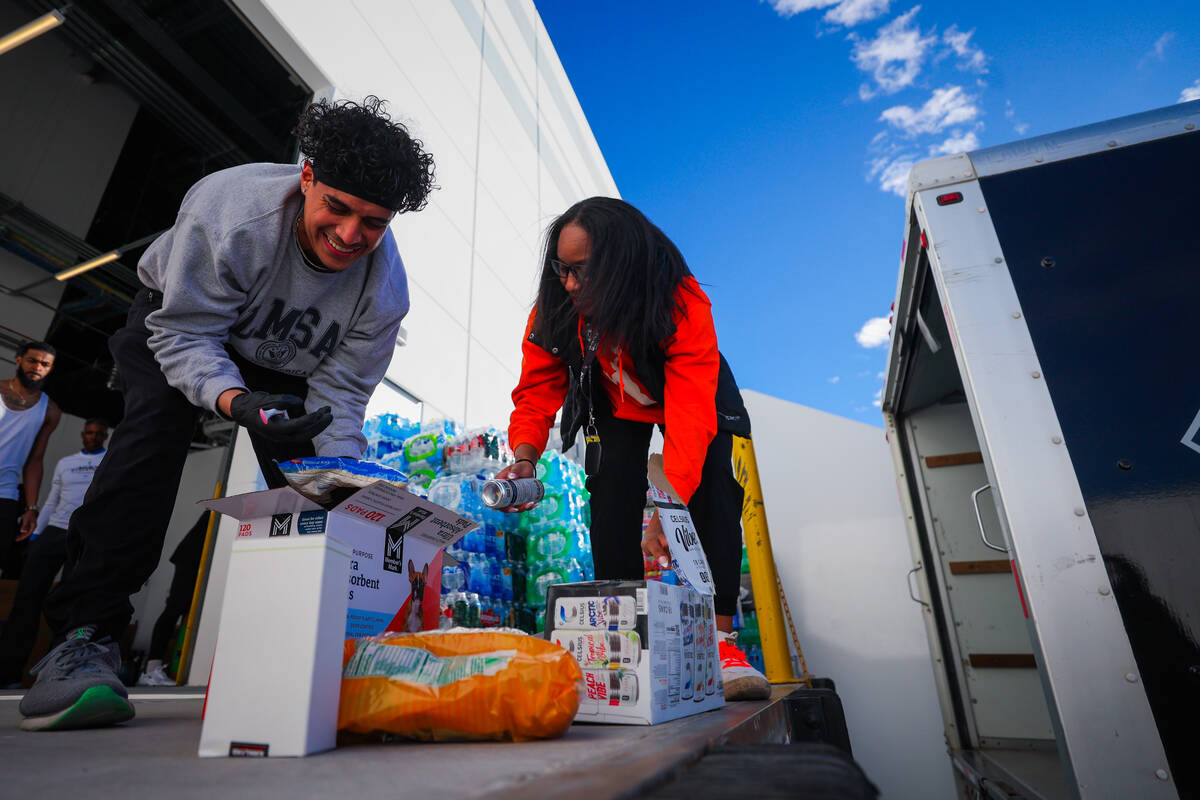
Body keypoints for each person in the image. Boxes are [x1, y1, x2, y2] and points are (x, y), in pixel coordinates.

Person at [19, 95, 436, 732]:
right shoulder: (232, 213)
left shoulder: (385, 292)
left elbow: (343, 398)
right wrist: (234, 400)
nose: (352, 235)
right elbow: (186, 335)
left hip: (285, 366)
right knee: (153, 437)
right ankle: (85, 634)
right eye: (338, 208)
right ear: (307, 180)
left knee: (319, 488)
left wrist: (345, 491)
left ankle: (333, 647)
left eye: (374, 222)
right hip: (180, 326)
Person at [497, 197, 769, 700]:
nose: (571, 284)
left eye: (582, 271)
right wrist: (524, 457)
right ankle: (619, 637)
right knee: (609, 489)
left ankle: (722, 641)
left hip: (691, 396)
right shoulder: (557, 305)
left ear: (620, 267)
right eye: (563, 269)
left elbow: (689, 417)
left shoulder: (681, 303)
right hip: (613, 397)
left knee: (712, 483)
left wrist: (671, 503)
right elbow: (536, 390)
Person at [0, 419, 108, 688]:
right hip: (55, 531)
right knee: (27, 597)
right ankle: (8, 674)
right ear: (83, 435)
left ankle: (55, 673)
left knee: (71, 603)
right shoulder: (66, 462)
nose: (93, 437)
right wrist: (36, 534)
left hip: (85, 534)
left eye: (98, 433)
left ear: (105, 436)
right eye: (89, 432)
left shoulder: (109, 461)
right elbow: (52, 498)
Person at [0, 342, 62, 579]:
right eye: (32, 360)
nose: (37, 367)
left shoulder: (50, 411)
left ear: (50, 369)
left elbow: (35, 460)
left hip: (5, 494)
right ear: (18, 360)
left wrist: (31, 508)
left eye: (44, 364)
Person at [137, 511, 212, 687]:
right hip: (190, 559)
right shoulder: (225, 501)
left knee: (180, 609)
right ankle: (151, 670)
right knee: (174, 608)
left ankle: (156, 668)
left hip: (197, 559)